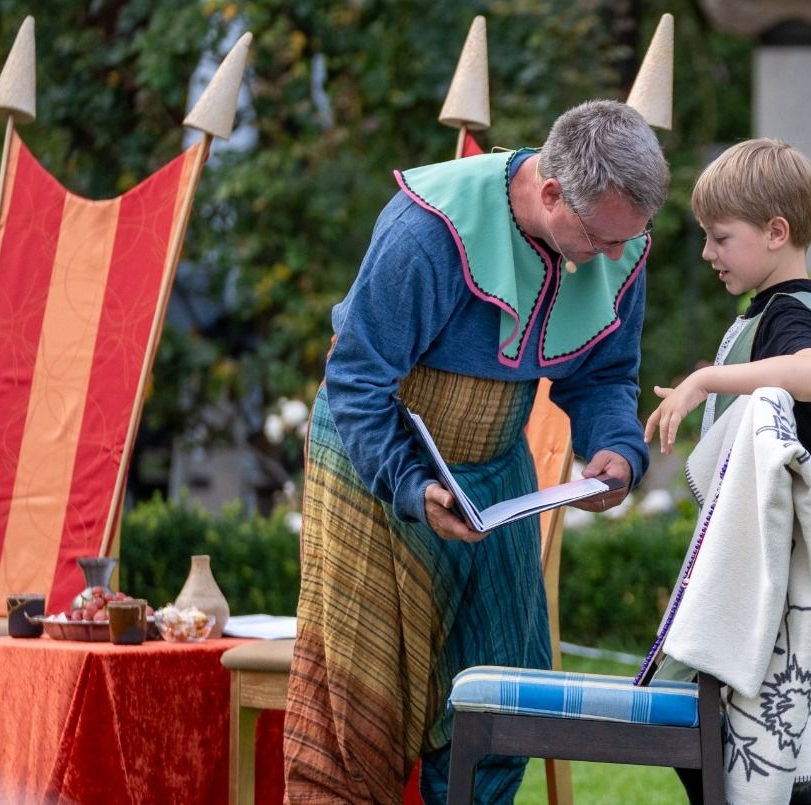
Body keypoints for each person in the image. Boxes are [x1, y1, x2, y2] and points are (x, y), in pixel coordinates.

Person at [284, 99, 669, 804]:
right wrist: (408, 484)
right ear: (551, 193)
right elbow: (356, 380)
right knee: (358, 702)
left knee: (501, 694)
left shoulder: (619, 239)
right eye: (602, 239)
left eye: (629, 239)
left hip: (495, 470)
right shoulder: (425, 233)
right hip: (377, 466)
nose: (616, 257)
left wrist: (615, 446)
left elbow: (606, 374)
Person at [644, 138, 811, 805]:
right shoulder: (767, 312)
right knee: (763, 748)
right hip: (763, 574)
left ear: (776, 232)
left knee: (720, 727)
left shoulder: (792, 312)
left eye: (720, 237)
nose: (708, 253)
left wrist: (706, 379)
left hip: (774, 583)